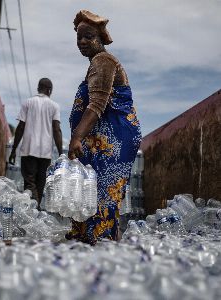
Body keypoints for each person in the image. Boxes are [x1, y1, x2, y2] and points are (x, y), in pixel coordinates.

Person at [66, 10, 142, 245]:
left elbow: (97, 104)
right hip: (106, 138)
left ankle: (102, 240)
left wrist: (77, 136)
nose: (82, 42)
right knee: (93, 187)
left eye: (88, 36)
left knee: (104, 190)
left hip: (116, 139)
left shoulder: (104, 61)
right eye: (79, 37)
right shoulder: (96, 64)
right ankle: (93, 235)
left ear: (100, 38)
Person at [9, 78, 63, 208]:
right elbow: (56, 129)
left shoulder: (28, 103)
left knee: (30, 183)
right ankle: (35, 210)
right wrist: (61, 154)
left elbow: (20, 127)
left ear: (38, 88)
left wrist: (13, 150)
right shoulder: (54, 106)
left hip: (28, 150)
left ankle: (33, 210)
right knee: (40, 184)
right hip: (45, 154)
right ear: (49, 90)